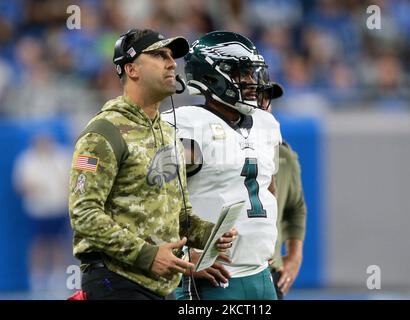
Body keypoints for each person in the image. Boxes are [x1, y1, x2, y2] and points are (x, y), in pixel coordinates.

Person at [68, 29, 236, 300]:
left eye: (172, 56)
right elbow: (84, 214)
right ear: (131, 69)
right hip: (116, 282)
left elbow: (177, 216)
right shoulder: (103, 131)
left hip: (161, 284)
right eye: (160, 55)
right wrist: (148, 256)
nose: (172, 63)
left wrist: (209, 235)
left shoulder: (168, 132)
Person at [162, 31, 281, 300]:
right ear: (212, 76)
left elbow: (268, 190)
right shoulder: (187, 124)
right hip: (215, 277)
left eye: (252, 74)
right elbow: (154, 201)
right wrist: (180, 254)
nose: (252, 82)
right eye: (242, 74)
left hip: (261, 271)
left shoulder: (266, 124)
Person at [262, 82, 307, 300]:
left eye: (266, 99)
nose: (263, 104)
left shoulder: (283, 155)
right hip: (225, 274)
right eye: (254, 96)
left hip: (270, 274)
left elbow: (295, 207)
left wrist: (294, 256)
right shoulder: (216, 150)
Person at [13, 132, 72, 290]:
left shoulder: (62, 156)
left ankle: (58, 276)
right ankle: (37, 277)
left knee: (58, 242)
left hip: (58, 208)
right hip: (37, 210)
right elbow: (20, 185)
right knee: (38, 243)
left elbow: (70, 181)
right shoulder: (26, 159)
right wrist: (33, 187)